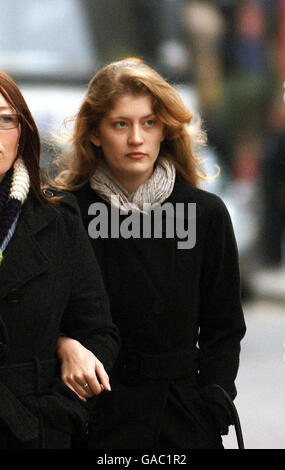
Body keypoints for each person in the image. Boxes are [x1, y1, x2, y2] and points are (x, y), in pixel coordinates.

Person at [54, 59, 246, 449]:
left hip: (183, 416)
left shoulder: (205, 214)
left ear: (166, 130)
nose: (136, 138)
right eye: (120, 124)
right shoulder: (64, 214)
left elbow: (223, 327)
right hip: (95, 415)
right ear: (94, 133)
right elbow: (40, 315)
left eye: (149, 123)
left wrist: (214, 401)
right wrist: (63, 345)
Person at [0, 70, 120, 449]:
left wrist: (61, 410)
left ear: (23, 133)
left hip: (34, 430)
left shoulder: (57, 218)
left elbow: (99, 333)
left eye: (5, 119)